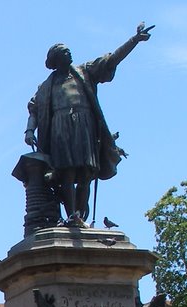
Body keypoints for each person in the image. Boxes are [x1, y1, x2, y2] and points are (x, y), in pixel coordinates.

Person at [25, 23, 152, 227]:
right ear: (56, 60)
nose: (69, 53)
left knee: (86, 172)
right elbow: (34, 109)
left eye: (69, 51)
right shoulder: (46, 87)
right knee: (67, 172)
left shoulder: (85, 71)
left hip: (84, 126)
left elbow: (110, 60)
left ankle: (80, 216)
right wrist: (30, 130)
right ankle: (72, 214)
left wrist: (133, 40)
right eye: (64, 52)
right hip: (60, 128)